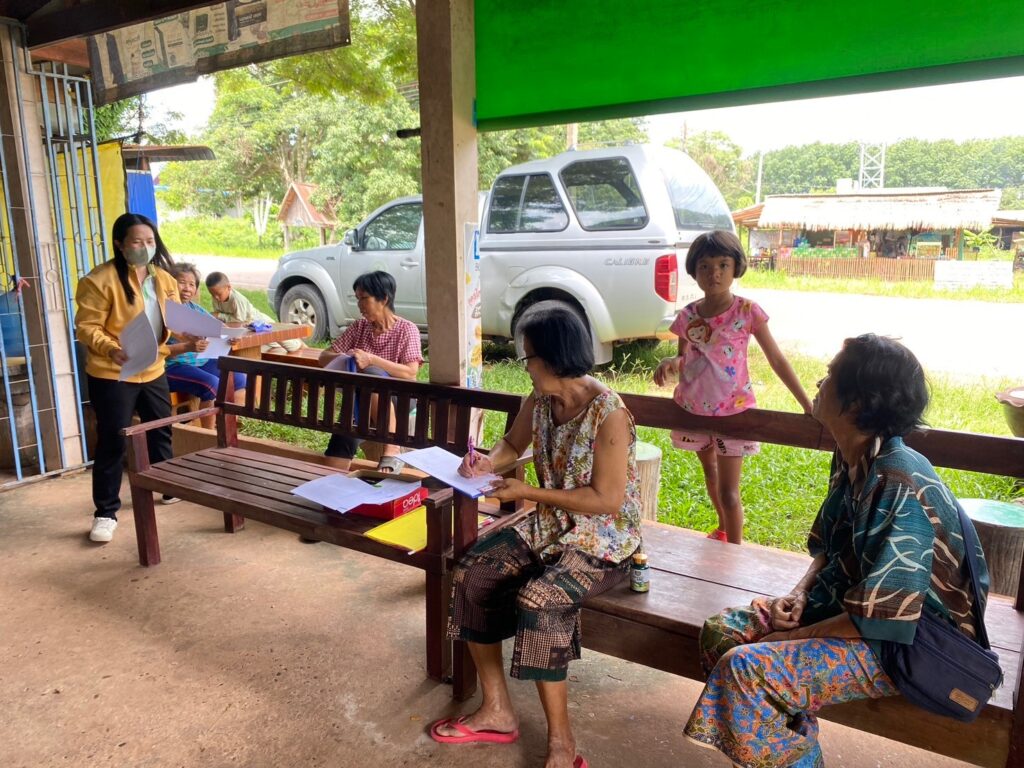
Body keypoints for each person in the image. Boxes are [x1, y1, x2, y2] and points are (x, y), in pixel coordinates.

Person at [683, 334, 990, 768]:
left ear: (857, 403)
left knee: (748, 669)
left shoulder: (897, 480)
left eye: (830, 375)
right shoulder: (852, 456)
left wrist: (788, 637)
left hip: (907, 643)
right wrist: (799, 593)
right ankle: (796, 749)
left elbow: (886, 617)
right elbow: (828, 547)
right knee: (722, 633)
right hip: (854, 610)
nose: (819, 382)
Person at [430, 305, 642, 768]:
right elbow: (513, 444)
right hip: (548, 525)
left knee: (540, 600)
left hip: (602, 539)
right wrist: (487, 462)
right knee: (472, 572)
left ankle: (562, 744)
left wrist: (526, 491)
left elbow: (606, 499)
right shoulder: (541, 399)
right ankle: (497, 711)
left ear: (553, 358)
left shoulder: (609, 414)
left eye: (528, 357)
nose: (525, 366)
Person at [654, 230, 812, 544]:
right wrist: (671, 362)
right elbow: (685, 358)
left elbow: (777, 359)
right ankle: (724, 531)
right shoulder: (688, 315)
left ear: (736, 267)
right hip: (693, 410)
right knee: (710, 475)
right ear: (694, 270)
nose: (714, 273)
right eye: (705, 266)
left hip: (733, 413)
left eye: (723, 265)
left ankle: (734, 553)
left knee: (729, 492)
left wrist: (806, 404)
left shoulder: (747, 311)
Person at [75, 212, 181, 543]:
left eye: (150, 241)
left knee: (160, 427)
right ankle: (105, 513)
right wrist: (111, 349)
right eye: (137, 242)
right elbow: (87, 327)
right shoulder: (98, 280)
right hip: (114, 372)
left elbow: (175, 317)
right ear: (120, 244)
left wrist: (193, 334)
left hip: (153, 367)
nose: (145, 247)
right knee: (113, 439)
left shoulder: (163, 279)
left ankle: (166, 483)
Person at [318, 270, 422, 473]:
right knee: (342, 440)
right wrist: (346, 357)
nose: (359, 305)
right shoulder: (359, 328)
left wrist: (372, 360)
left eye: (364, 298)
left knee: (372, 374)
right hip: (360, 400)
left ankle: (391, 446)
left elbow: (410, 372)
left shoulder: (407, 329)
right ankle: (331, 484)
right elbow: (323, 357)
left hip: (400, 398)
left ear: (383, 299)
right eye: (357, 299)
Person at [164, 263, 246, 428]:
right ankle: (209, 435)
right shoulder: (164, 310)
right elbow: (158, 350)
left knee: (238, 377)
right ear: (169, 284)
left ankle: (229, 428)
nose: (187, 288)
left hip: (200, 361)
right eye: (182, 283)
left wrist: (231, 337)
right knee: (211, 384)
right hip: (173, 366)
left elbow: (218, 327)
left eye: (192, 284)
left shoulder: (194, 308)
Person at [205, 270, 303, 353]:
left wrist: (220, 315)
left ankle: (298, 341)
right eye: (212, 294)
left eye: (219, 294)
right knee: (260, 350)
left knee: (288, 346)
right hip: (250, 330)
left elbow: (239, 320)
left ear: (229, 287)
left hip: (261, 325)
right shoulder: (216, 298)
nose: (216, 297)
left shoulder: (237, 300)